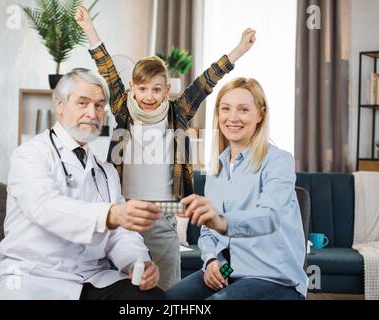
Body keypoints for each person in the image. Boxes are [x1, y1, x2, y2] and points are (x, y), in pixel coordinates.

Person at [75, 5, 256, 291]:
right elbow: (107, 69)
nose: (149, 96)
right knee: (125, 288)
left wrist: (238, 50)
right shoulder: (123, 110)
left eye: (156, 89)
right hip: (125, 214)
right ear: (132, 88)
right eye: (143, 89)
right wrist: (89, 29)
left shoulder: (178, 112)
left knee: (169, 290)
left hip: (163, 217)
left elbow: (206, 81)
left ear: (166, 90)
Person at [0, 69, 164, 300]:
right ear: (60, 105)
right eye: (83, 103)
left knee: (151, 299)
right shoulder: (30, 154)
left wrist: (137, 262)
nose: (92, 113)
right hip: (33, 277)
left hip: (90, 277)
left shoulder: (106, 172)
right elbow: (44, 206)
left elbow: (120, 234)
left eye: (99, 105)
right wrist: (108, 214)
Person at [166, 78, 308, 300]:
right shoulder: (217, 170)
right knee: (172, 298)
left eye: (243, 109)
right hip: (229, 271)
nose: (232, 117)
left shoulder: (279, 161)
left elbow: (268, 217)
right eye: (226, 109)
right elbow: (207, 232)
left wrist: (221, 221)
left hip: (272, 276)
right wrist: (212, 260)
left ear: (260, 114)